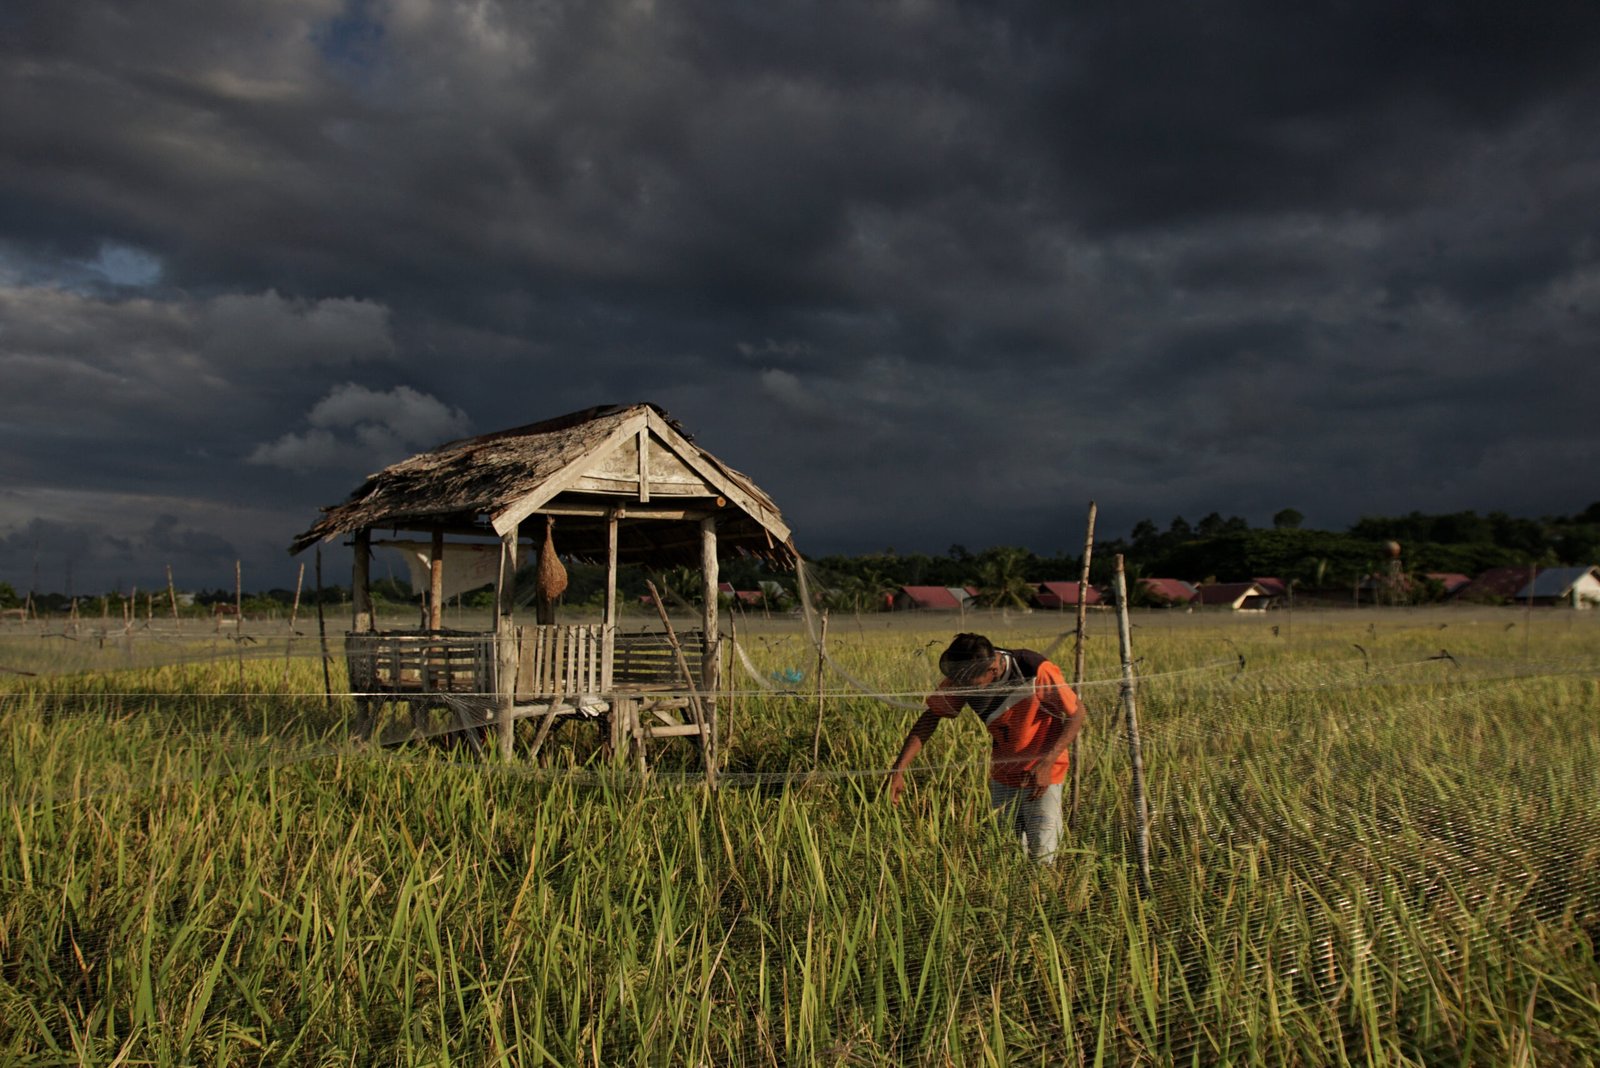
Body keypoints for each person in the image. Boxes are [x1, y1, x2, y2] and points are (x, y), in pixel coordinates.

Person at [887, 632, 1084, 862]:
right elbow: (931, 718)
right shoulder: (964, 676)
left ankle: (1043, 896)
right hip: (1003, 775)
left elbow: (1077, 713)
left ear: (993, 669)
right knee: (1005, 852)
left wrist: (1047, 763)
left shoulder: (1033, 668)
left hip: (1041, 774)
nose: (963, 688)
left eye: (970, 685)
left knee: (1042, 854)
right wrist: (899, 768)